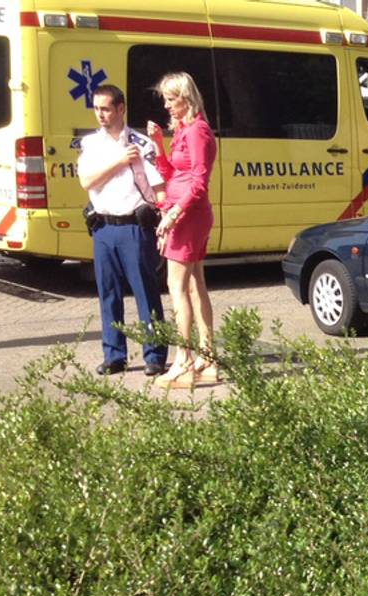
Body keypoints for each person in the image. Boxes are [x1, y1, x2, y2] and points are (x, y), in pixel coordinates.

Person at [77, 83, 168, 378]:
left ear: (120, 109)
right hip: (103, 227)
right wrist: (117, 161)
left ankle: (154, 354)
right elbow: (87, 181)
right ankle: (114, 355)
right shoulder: (91, 144)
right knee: (108, 295)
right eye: (97, 109)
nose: (100, 115)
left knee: (145, 292)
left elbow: (158, 186)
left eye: (105, 109)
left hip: (133, 227)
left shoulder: (140, 144)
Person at [147, 71, 218, 388]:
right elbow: (171, 172)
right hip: (182, 211)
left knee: (177, 285)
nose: (166, 106)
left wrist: (173, 214)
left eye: (170, 99)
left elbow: (199, 182)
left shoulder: (198, 132)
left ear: (185, 98)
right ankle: (206, 355)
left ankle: (183, 358)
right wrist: (158, 145)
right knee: (193, 285)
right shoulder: (185, 131)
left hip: (188, 215)